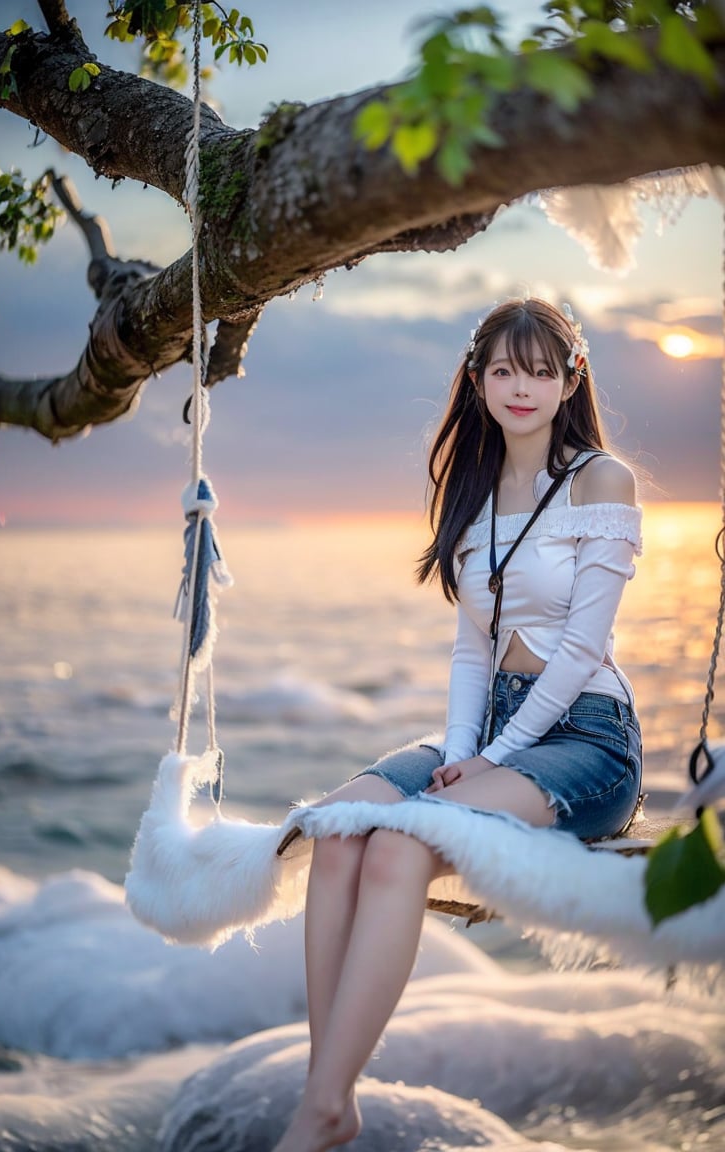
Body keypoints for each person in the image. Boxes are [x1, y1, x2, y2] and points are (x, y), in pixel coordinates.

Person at [272, 297, 643, 1152]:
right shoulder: (472, 492)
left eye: (540, 370)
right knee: (336, 828)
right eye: (504, 370)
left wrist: (492, 759)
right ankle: (327, 1094)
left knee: (402, 845)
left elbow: (581, 652)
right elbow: (472, 654)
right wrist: (465, 750)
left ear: (569, 379)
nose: (522, 387)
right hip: (495, 733)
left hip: (586, 738)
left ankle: (321, 1106)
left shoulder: (600, 481)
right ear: (477, 380)